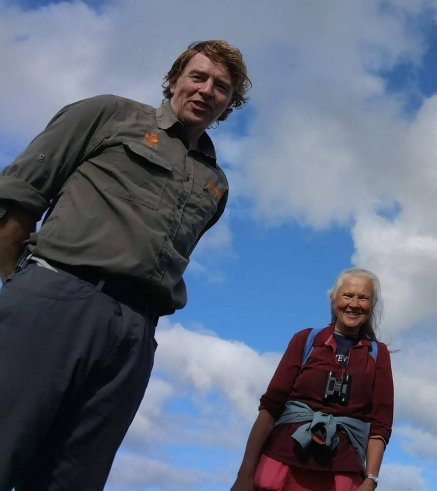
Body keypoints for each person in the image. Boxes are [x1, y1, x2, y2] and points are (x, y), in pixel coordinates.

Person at [0, 39, 250, 490]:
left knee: (74, 479)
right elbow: (20, 194)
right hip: (57, 297)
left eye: (221, 87)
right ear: (173, 80)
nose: (206, 90)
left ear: (229, 104)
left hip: (136, 335)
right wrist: (20, 286)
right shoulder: (110, 114)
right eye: (197, 77)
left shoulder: (216, 184)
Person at [232, 268, 393, 491]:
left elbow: (380, 424)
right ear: (334, 299)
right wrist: (244, 475)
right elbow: (271, 406)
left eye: (363, 298)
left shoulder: (377, 354)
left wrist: (371, 480)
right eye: (347, 295)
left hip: (341, 473)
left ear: (372, 304)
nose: (354, 304)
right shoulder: (305, 340)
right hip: (280, 464)